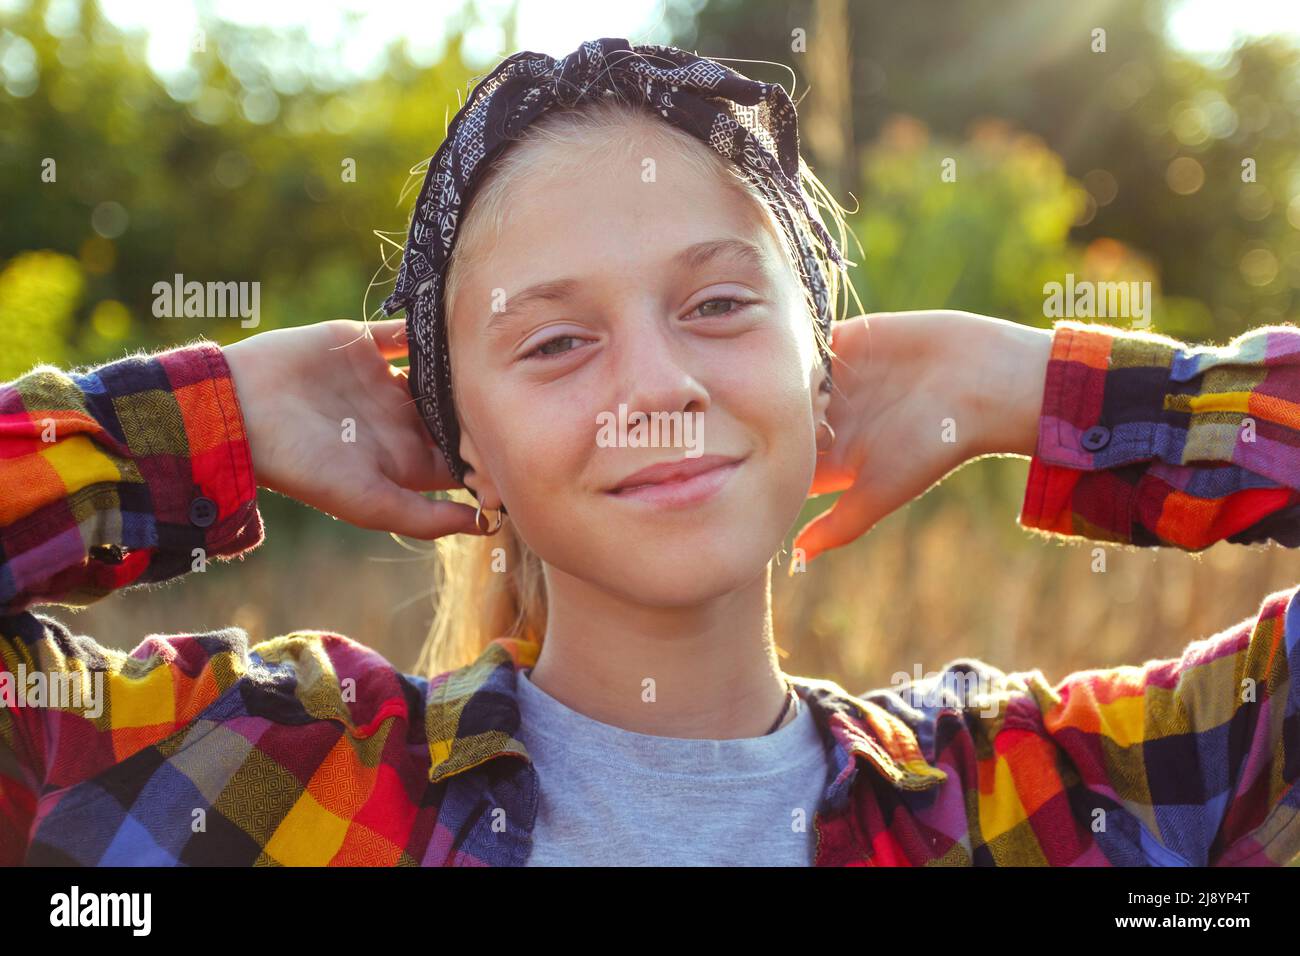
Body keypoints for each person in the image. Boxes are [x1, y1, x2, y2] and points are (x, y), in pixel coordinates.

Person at [1, 38, 1297, 867]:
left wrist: (1033, 386)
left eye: (723, 305)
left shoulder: (1066, 807)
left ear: (821, 376)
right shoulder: (266, 785)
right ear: (473, 458)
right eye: (556, 344)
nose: (660, 385)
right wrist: (212, 416)